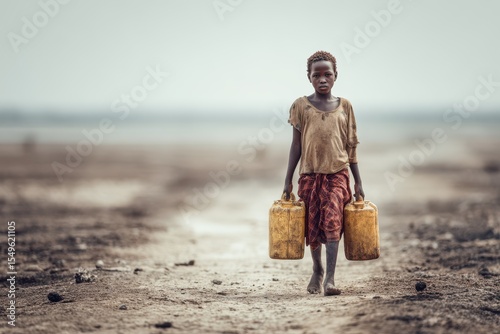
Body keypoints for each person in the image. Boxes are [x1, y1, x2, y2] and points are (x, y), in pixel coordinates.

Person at [283, 50, 365, 296]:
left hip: (337, 174)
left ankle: (330, 278)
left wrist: (358, 181)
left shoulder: (345, 106)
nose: (322, 79)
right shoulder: (301, 106)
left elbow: (351, 145)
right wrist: (287, 180)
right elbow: (296, 145)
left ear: (335, 76)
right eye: (316, 75)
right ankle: (317, 269)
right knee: (313, 226)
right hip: (309, 174)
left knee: (332, 222)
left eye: (327, 74)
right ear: (308, 77)